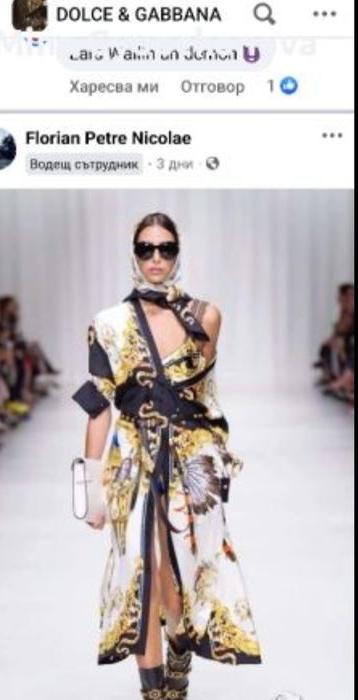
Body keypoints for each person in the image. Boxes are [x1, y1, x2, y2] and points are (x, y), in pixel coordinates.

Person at [73, 213, 262, 699]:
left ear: (178, 253)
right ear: (133, 253)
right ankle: (156, 692)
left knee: (180, 575)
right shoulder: (108, 325)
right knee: (142, 570)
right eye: (146, 248)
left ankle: (179, 650)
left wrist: (217, 459)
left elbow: (202, 396)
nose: (155, 258)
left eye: (165, 248)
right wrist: (89, 489)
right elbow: (98, 407)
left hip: (191, 463)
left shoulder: (206, 316)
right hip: (132, 460)